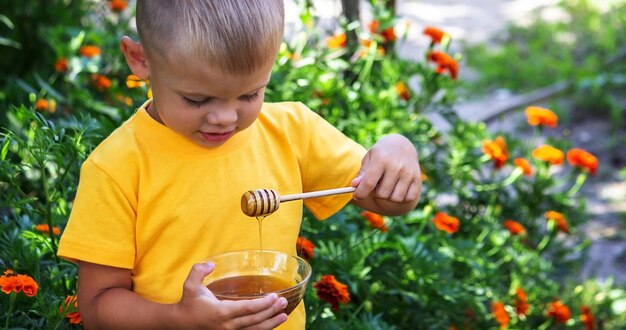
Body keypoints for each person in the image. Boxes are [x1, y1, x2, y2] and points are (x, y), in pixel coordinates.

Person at [57, 1, 421, 329]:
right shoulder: (117, 167)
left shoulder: (293, 131)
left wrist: (397, 151)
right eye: (197, 99)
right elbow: (97, 306)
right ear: (140, 60)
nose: (225, 117)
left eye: (251, 94)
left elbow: (389, 201)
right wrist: (178, 319)